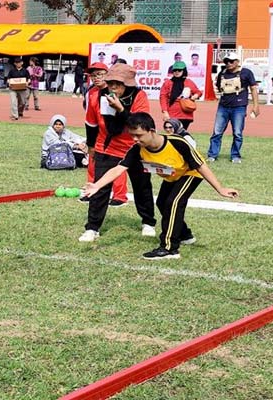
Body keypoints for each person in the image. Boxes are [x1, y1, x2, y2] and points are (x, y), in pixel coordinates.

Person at [84, 112, 239, 260]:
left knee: (173, 203)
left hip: (191, 173)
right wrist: (97, 186)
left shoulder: (177, 142)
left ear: (151, 131)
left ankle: (169, 248)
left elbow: (201, 166)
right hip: (173, 176)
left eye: (139, 135)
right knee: (162, 203)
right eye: (132, 136)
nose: (135, 139)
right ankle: (185, 235)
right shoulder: (137, 150)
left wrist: (220, 189)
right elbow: (119, 168)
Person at [79, 62, 156, 242]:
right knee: (99, 187)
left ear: (128, 84)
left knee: (142, 186)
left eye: (118, 83)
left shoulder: (139, 96)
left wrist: (121, 109)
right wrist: (91, 146)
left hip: (135, 148)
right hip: (107, 146)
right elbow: (91, 123)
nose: (113, 86)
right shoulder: (96, 96)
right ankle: (92, 228)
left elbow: (140, 124)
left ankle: (148, 222)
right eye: (110, 82)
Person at [207, 52, 259, 164]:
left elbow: (254, 88)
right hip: (223, 106)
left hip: (239, 107)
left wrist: (256, 105)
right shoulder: (222, 73)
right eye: (226, 62)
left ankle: (235, 155)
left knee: (237, 133)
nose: (228, 64)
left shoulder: (246, 73)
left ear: (237, 61)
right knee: (217, 132)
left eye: (231, 61)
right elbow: (219, 86)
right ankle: (212, 155)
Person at [159, 60, 202, 130]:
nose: (177, 72)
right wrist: (165, 112)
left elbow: (198, 92)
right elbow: (163, 97)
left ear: (184, 71)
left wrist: (196, 96)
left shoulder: (189, 82)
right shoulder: (167, 83)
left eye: (179, 70)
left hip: (186, 115)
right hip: (172, 114)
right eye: (175, 70)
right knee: (173, 134)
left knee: (182, 134)